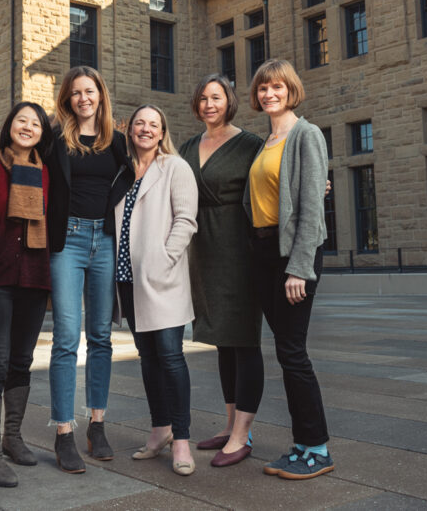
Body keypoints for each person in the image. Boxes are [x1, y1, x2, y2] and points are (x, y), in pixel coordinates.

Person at [244, 59, 334, 480]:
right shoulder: (267, 141)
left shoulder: (306, 135)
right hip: (264, 253)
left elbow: (314, 206)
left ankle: (317, 448)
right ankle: (301, 444)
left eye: (277, 87)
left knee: (294, 353)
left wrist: (299, 268)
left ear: (290, 90)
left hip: (293, 256)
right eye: (263, 88)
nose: (269, 94)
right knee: (284, 350)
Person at [45, 66, 130, 473]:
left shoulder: (118, 141)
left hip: (106, 242)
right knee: (65, 336)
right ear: (68, 98)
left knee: (100, 336)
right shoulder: (55, 139)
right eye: (76, 92)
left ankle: (97, 425)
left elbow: (148, 169)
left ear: (100, 95)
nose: (83, 98)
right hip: (69, 241)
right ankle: (64, 431)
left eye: (90, 91)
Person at [178, 74, 265, 467]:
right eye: (202, 98)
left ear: (229, 100)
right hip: (203, 250)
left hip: (240, 249)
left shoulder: (250, 145)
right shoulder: (188, 146)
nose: (208, 104)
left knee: (244, 341)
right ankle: (231, 425)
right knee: (222, 342)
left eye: (216, 97)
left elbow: (273, 182)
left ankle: (244, 434)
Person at [114, 105, 199, 476]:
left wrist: (165, 257)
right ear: (129, 129)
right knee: (147, 357)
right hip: (127, 280)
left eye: (153, 124)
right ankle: (159, 429)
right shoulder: (122, 171)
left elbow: (186, 219)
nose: (145, 129)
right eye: (139, 123)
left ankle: (181, 439)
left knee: (170, 356)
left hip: (162, 278)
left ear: (162, 131)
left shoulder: (175, 167)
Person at [0, 102, 54, 487]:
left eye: (35, 123)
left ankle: (13, 438)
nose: (28, 127)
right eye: (22, 120)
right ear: (9, 127)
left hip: (35, 278)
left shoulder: (46, 175)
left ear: (42, 132)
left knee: (21, 361)